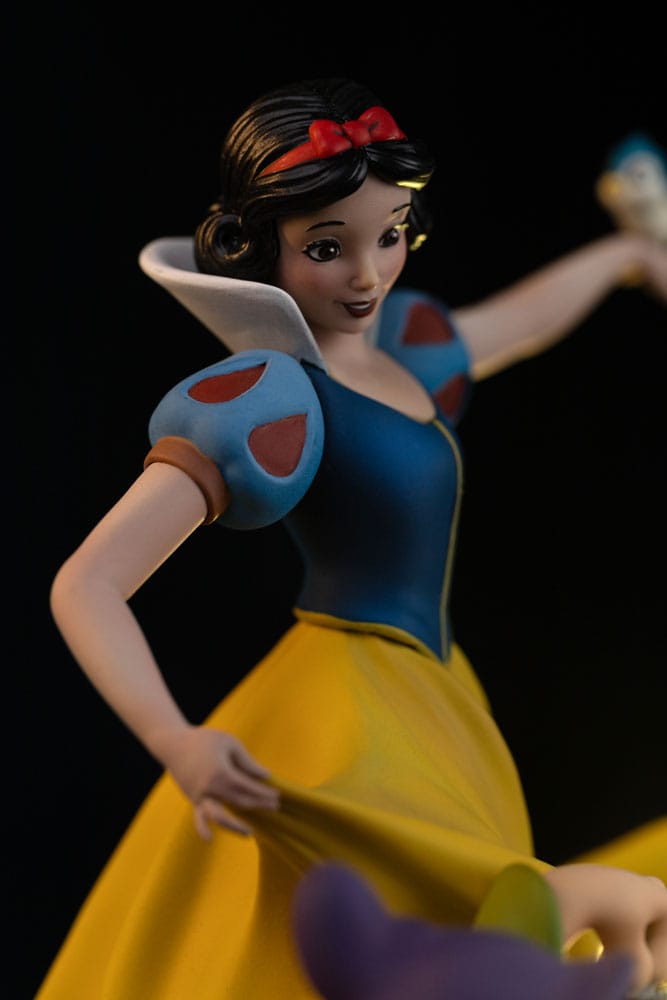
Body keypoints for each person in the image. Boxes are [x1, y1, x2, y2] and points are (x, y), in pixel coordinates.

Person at [37, 78, 667, 999]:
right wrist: (174, 738)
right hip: (346, 717)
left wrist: (624, 255)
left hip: (436, 698)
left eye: (390, 236)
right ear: (262, 248)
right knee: (431, 911)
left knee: (469, 919)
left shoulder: (404, 352)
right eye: (327, 248)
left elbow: (518, 324)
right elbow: (86, 583)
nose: (368, 275)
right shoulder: (272, 395)